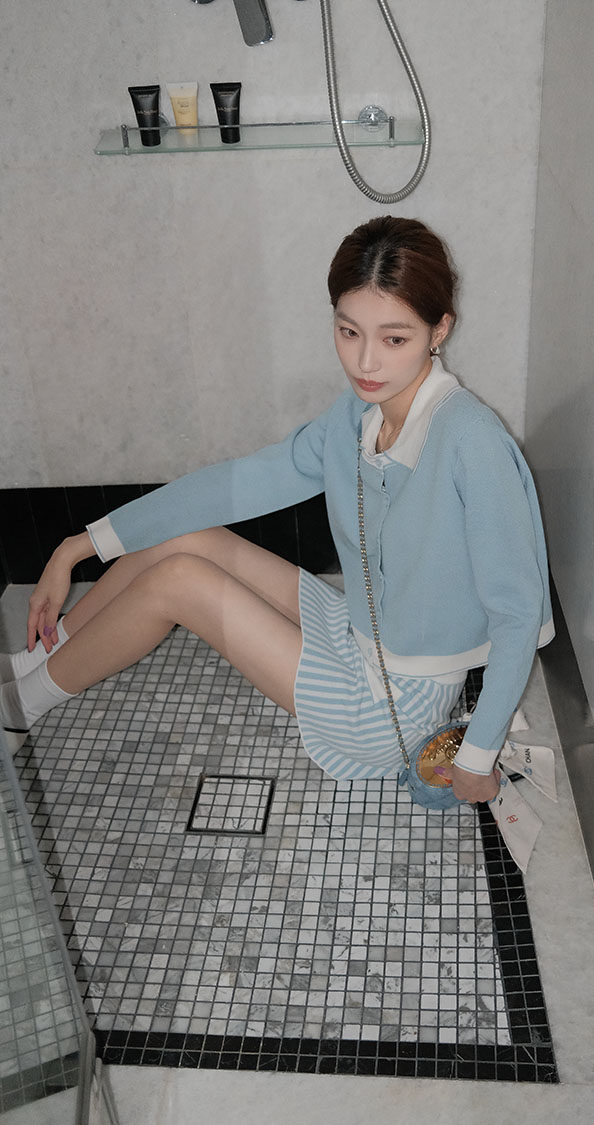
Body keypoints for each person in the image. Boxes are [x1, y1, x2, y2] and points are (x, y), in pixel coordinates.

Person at [1, 216, 553, 806]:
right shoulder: (356, 416)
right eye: (348, 332)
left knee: (178, 581)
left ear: (439, 329)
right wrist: (76, 547)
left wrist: (476, 756)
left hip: (393, 705)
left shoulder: (471, 440)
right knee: (187, 538)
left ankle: (16, 710)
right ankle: (34, 661)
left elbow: (518, 613)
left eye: (394, 339)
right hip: (354, 632)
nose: (366, 362)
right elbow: (237, 484)